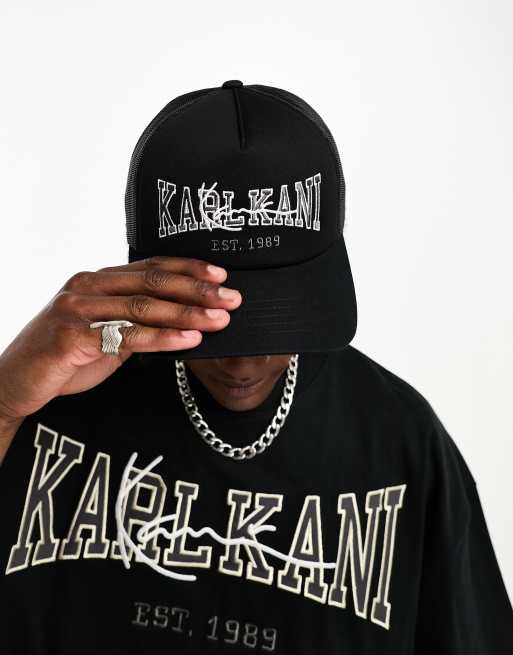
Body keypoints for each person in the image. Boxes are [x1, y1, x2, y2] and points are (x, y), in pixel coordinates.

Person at [0, 80, 511, 655]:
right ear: (148, 276)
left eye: (278, 323)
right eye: (214, 327)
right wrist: (5, 402)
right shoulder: (54, 394)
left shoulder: (399, 442)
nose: (245, 360)